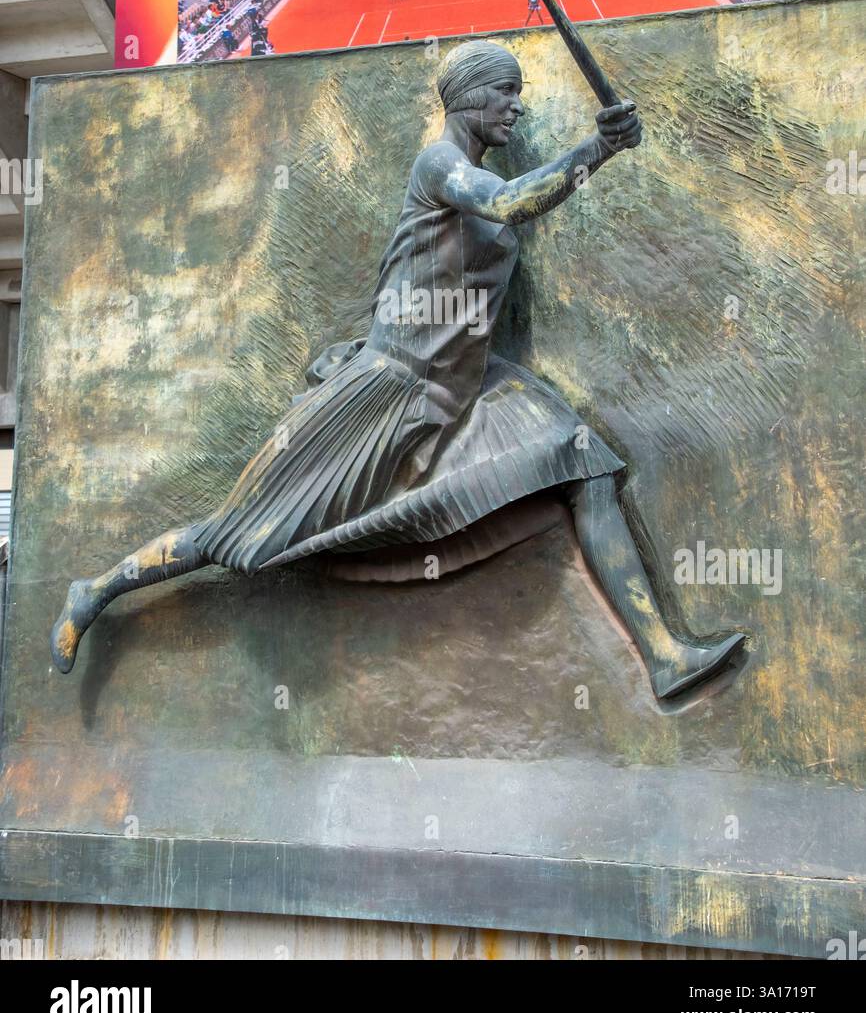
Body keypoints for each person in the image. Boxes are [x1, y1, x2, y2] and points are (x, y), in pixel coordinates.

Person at [50, 40, 746, 701]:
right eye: (505, 92)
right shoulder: (438, 166)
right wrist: (597, 148)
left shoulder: (469, 172)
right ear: (470, 98)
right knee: (235, 535)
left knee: (589, 465)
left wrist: (599, 152)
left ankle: (662, 657)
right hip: (387, 396)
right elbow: (508, 204)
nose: (516, 107)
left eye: (518, 93)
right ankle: (98, 589)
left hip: (468, 387)